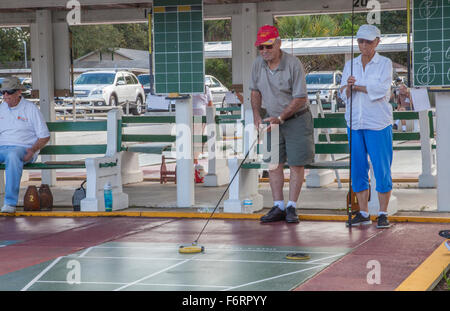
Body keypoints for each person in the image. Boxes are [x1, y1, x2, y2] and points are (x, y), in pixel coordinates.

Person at [250, 25, 314, 224]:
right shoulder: (257, 65)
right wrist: (256, 115)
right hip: (271, 120)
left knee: (296, 163)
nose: (264, 51)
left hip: (296, 118)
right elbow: (254, 91)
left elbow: (300, 97)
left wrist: (282, 117)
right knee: (273, 164)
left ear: (278, 44)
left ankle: (292, 206)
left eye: (268, 46)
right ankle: (278, 205)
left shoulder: (293, 64)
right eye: (261, 47)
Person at [339, 24, 393, 229]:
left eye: (368, 41)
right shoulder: (350, 64)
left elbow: (381, 90)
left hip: (378, 122)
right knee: (358, 167)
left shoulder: (384, 63)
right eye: (360, 41)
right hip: (354, 122)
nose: (364, 45)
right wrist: (348, 87)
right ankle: (362, 212)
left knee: (381, 167)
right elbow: (342, 93)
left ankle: (382, 212)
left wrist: (357, 86)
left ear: (377, 42)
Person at [0, 76, 50, 213]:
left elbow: (45, 136)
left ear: (18, 92)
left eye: (9, 92)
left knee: (12, 155)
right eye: (2, 92)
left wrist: (33, 150)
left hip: (24, 149)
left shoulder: (30, 108)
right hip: (2, 148)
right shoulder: (1, 108)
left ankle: (10, 203)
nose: (5, 96)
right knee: (10, 154)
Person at [192, 85, 213, 182]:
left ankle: (194, 161)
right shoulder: (205, 87)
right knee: (198, 137)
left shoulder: (189, 84)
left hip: (188, 111)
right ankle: (195, 161)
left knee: (191, 138)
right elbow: (210, 103)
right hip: (201, 112)